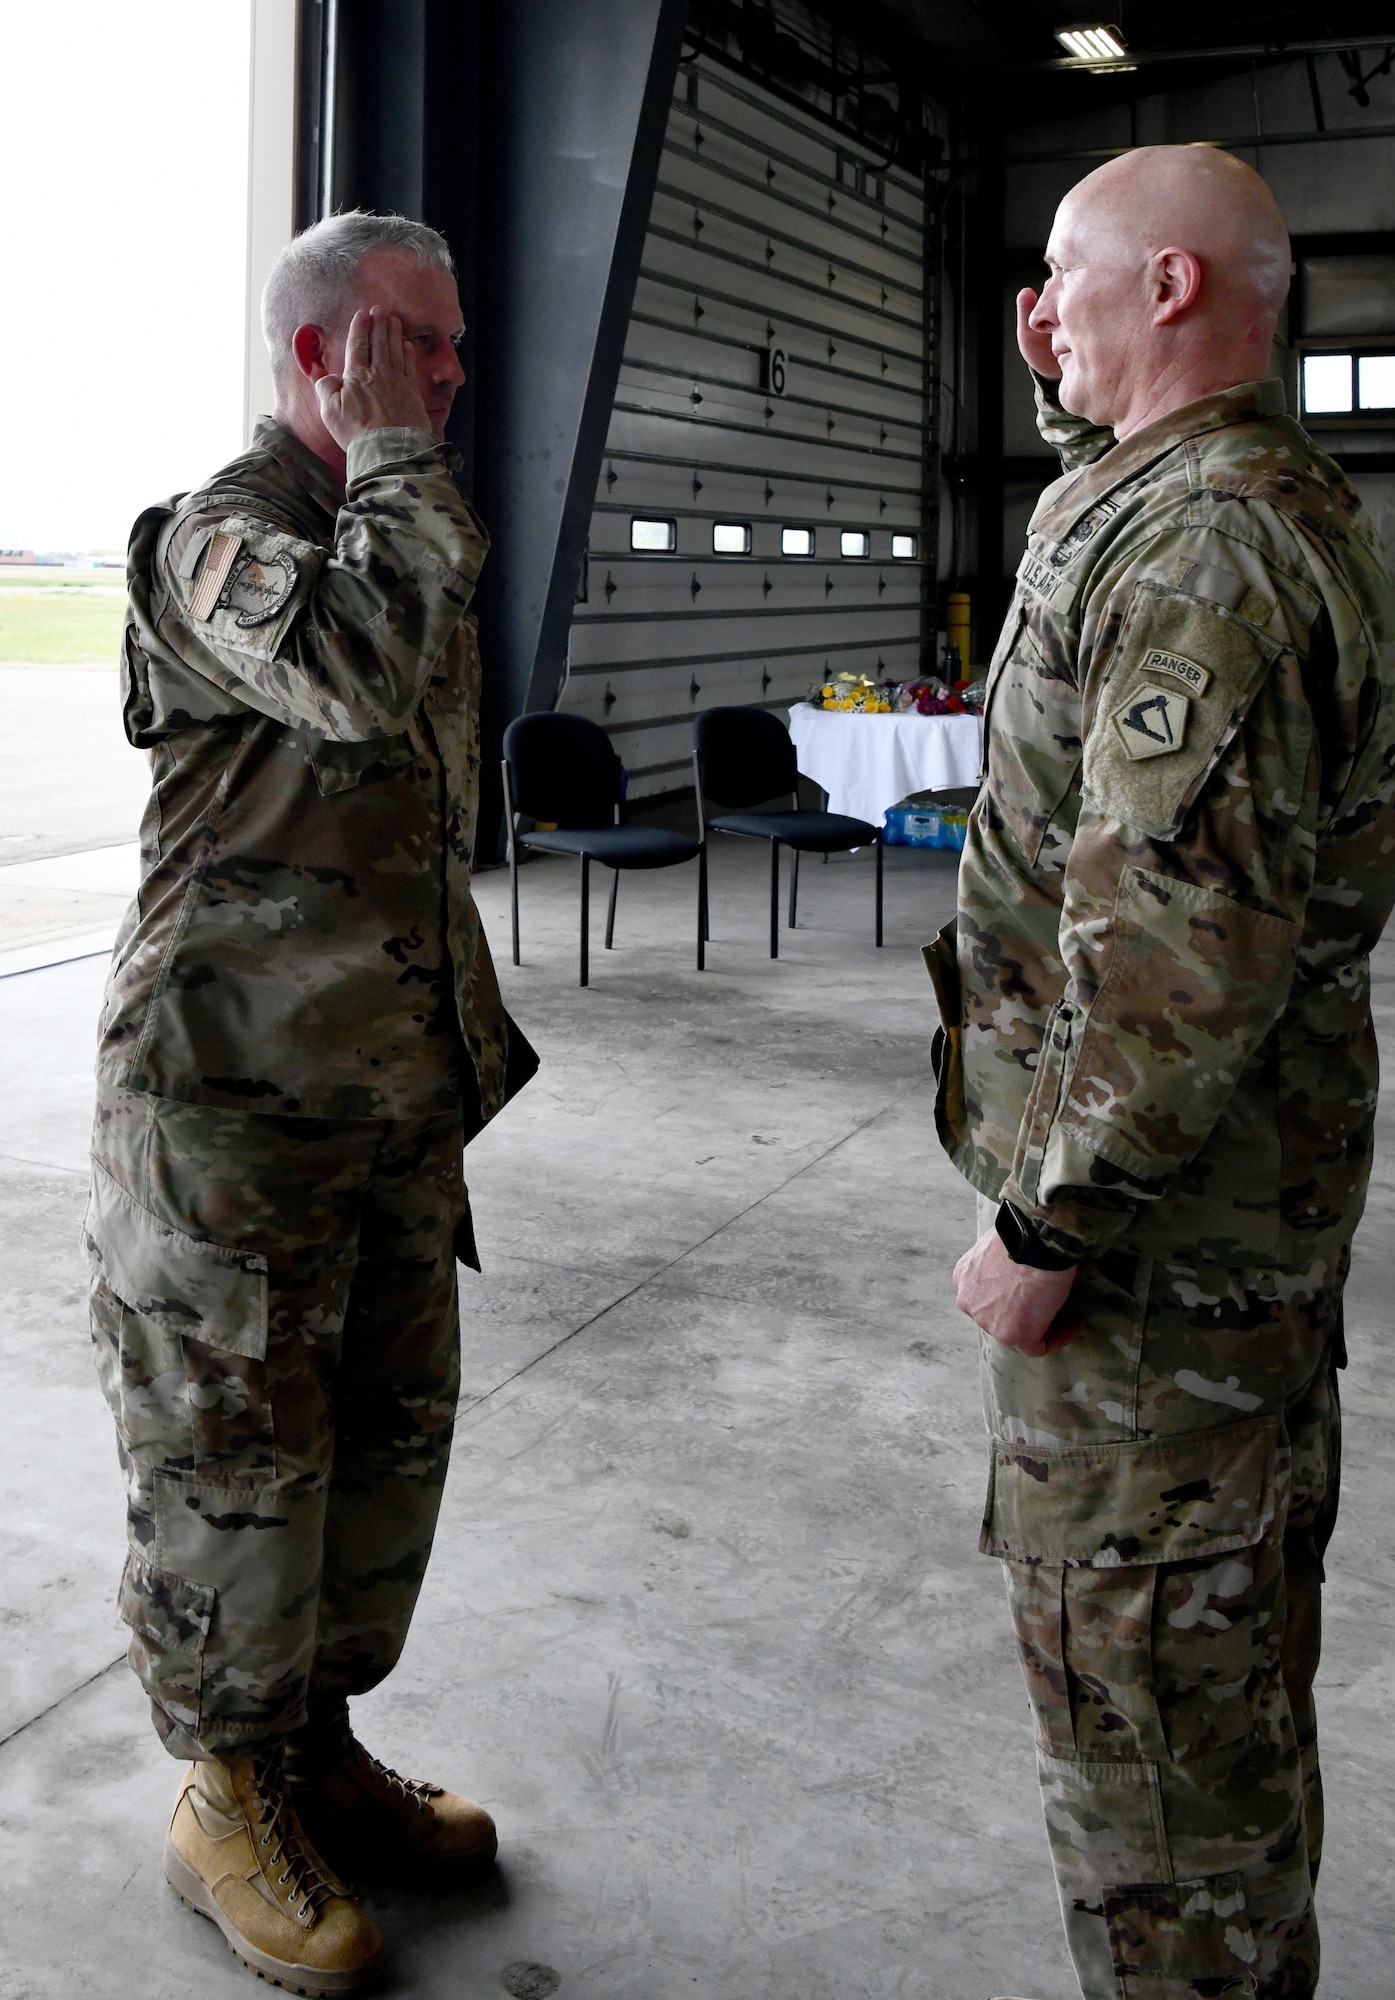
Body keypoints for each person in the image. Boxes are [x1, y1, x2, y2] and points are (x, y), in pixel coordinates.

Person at [926, 148, 1395, 2000]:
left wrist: (1046, 1221)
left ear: (1173, 292)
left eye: (1065, 273)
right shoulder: (1189, 505)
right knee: (1213, 1705)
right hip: (1224, 1249)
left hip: (1149, 1277)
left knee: (1152, 1759)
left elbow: (1175, 959)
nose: (1031, 308)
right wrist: (1081, 415)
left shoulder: (1204, 556)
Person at [86, 211, 534, 1995]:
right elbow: (350, 679)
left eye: (449, 349)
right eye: (413, 347)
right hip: (227, 1119)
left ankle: (314, 1749)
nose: (446, 379)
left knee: (374, 1457)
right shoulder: (224, 539)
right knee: (234, 1478)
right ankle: (222, 1796)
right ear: (321, 355)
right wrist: (407, 460)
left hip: (379, 1102)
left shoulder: (389, 529)